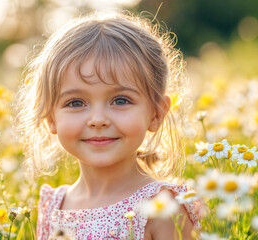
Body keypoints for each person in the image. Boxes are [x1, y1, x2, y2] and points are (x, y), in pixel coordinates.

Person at [15, 12, 200, 240]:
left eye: (120, 100)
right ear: (51, 118)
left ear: (156, 113)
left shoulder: (163, 207)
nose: (98, 119)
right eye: (76, 102)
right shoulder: (53, 206)